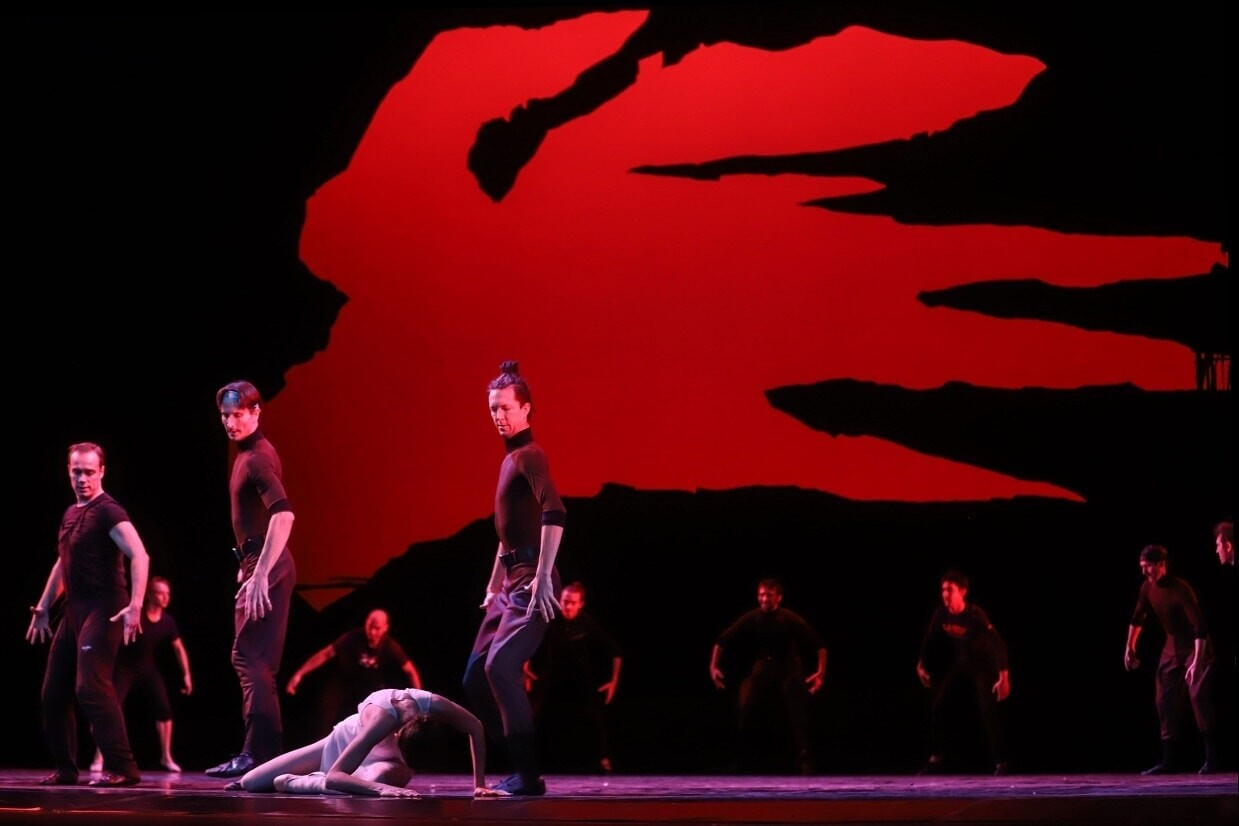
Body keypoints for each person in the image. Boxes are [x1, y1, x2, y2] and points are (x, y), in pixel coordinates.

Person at [462, 360, 566, 796]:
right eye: (493, 409)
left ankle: (528, 775)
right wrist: (493, 585)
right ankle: (517, 758)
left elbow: (555, 513)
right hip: (510, 584)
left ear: (525, 409)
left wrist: (543, 577)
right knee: (475, 676)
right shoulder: (509, 460)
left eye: (505, 407)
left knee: (501, 667)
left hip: (532, 584)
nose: (499, 416)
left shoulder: (530, 455)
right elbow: (506, 534)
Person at [25, 441, 150, 787]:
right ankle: (66, 769)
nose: (82, 479)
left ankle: (124, 768)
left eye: (89, 472)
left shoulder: (108, 511)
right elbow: (62, 564)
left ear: (102, 472)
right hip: (74, 611)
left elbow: (140, 555)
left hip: (105, 608)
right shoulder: (70, 513)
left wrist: (136, 604)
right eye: (76, 472)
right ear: (68, 471)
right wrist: (43, 607)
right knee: (53, 692)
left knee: (90, 687)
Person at [206, 380, 297, 778]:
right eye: (225, 415)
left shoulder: (257, 457)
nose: (230, 422)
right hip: (257, 562)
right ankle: (266, 757)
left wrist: (260, 573)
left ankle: (257, 755)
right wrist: (246, 562)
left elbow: (284, 514)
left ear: (256, 412)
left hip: (268, 567)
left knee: (248, 657)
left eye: (238, 414)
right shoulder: (245, 454)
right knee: (255, 662)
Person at [225, 687, 507, 798]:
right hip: (341, 744)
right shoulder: (382, 722)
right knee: (251, 782)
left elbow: (475, 727)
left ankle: (293, 783)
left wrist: (479, 783)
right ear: (397, 736)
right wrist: (383, 790)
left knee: (379, 777)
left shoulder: (433, 706)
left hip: (380, 764)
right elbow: (335, 775)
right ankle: (300, 781)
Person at [709, 577, 827, 775]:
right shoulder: (754, 616)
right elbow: (722, 640)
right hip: (765, 664)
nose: (765, 599)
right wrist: (713, 666)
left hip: (789, 666)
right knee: (745, 705)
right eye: (762, 595)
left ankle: (804, 759)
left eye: (769, 595)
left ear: (779, 598)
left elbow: (819, 644)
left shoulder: (788, 617)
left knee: (796, 709)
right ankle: (741, 760)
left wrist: (821, 672)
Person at [1124, 543, 1217, 774]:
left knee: (1198, 695)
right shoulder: (1147, 587)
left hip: (1196, 645)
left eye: (1149, 566)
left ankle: (1213, 758)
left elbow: (1199, 627)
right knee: (1163, 699)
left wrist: (1197, 661)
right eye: (1142, 566)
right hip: (1171, 645)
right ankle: (1169, 761)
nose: (1145, 571)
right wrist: (1130, 647)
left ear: (1162, 565)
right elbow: (1138, 617)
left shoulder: (1180, 589)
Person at [90, 575, 193, 773]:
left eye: (167, 594)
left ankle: (166, 757)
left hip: (147, 668)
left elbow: (178, 648)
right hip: (124, 668)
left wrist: (186, 675)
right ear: (149, 595)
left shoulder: (167, 621)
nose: (165, 597)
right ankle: (99, 756)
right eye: (160, 593)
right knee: (111, 710)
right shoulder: (136, 615)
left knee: (164, 709)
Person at [915, 569, 1010, 776]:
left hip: (983, 666)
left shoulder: (975, 615)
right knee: (939, 706)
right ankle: (937, 759)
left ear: (963, 591)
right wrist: (920, 664)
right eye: (943, 590)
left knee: (987, 709)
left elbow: (999, 644)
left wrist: (1004, 677)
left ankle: (1001, 761)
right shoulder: (941, 614)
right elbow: (928, 639)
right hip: (962, 664)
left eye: (950, 589)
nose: (945, 594)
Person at [523, 581, 622, 773]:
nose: (568, 607)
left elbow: (615, 650)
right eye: (565, 601)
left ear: (581, 604)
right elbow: (529, 640)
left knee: (595, 718)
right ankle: (525, 762)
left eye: (573, 603)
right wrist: (525, 666)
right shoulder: (551, 618)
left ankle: (603, 758)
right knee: (533, 716)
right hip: (551, 676)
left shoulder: (586, 622)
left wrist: (614, 681)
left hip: (579, 678)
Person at [286, 608, 424, 739]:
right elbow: (326, 653)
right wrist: (299, 674)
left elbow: (410, 671)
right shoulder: (353, 637)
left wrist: (419, 699)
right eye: (369, 627)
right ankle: (320, 748)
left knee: (375, 716)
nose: (372, 632)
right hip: (343, 680)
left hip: (368, 686)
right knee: (324, 711)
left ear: (385, 628)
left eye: (377, 628)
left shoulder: (390, 645)